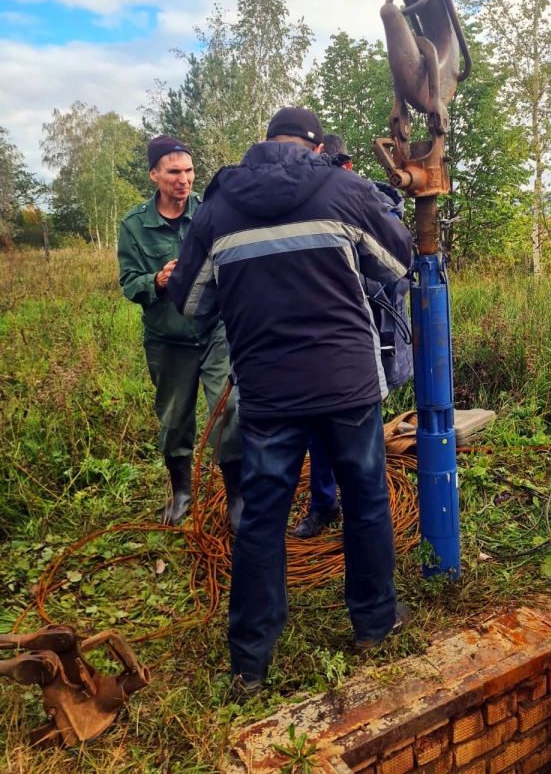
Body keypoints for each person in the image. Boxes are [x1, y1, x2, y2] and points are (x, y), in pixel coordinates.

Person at [167, 107, 413, 699]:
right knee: (366, 498)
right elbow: (399, 261)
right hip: (346, 384)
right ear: (311, 143)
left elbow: (192, 304)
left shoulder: (219, 206)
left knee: (261, 519)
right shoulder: (345, 188)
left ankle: (250, 663)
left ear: (265, 142)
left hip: (269, 391)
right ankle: (375, 624)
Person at [117, 135, 243, 533]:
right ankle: (181, 491)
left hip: (213, 334)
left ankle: (237, 497)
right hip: (168, 340)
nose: (183, 179)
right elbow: (128, 282)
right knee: (174, 420)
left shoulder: (210, 214)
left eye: (189, 171)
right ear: (155, 174)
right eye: (174, 172)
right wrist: (156, 279)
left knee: (229, 411)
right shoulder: (134, 226)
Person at [291, 133, 413, 538]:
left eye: (342, 164)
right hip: (315, 342)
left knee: (360, 435)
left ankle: (362, 516)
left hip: (367, 335)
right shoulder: (306, 203)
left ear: (347, 165)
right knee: (317, 430)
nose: (338, 171)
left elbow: (395, 268)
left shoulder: (373, 201)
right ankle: (324, 504)